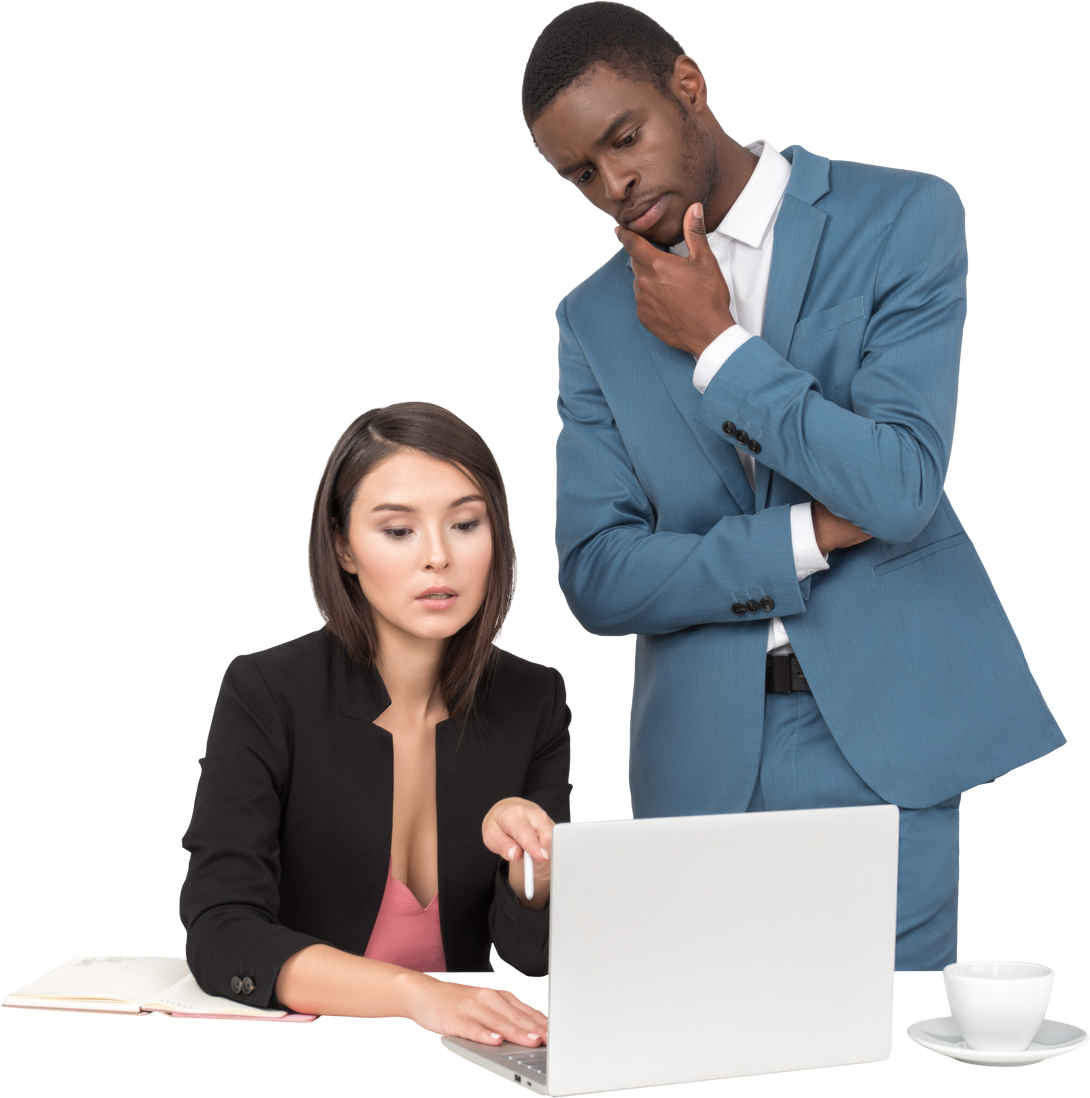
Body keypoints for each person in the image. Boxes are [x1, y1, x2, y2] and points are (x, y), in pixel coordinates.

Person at [521, 2, 1065, 973]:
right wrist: (804, 538)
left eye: (623, 139)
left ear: (687, 86)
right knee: (705, 1042)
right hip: (704, 752)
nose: (613, 186)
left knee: (884, 1047)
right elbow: (598, 575)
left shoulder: (900, 219)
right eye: (579, 173)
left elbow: (897, 487)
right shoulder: (591, 319)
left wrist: (717, 347)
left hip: (885, 736)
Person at [178, 401, 568, 1047]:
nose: (438, 557)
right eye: (397, 531)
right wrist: (417, 996)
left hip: (464, 1049)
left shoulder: (533, 698)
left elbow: (534, 954)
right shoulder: (267, 688)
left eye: (466, 524)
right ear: (343, 547)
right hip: (298, 1046)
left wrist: (540, 871)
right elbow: (220, 929)